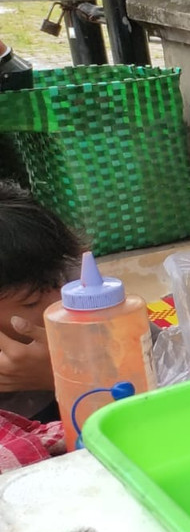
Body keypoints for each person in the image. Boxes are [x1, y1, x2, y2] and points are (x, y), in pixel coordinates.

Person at [0, 181, 82, 423]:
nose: (61, 304)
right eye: (32, 303)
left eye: (62, 283)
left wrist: (60, 376)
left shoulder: (75, 281)